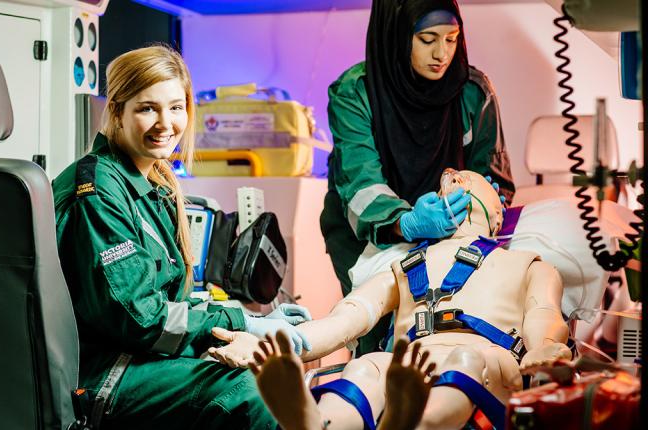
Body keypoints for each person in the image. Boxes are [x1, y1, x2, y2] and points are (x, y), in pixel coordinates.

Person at [52, 45, 310, 429]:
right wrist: (241, 322)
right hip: (106, 373)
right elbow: (139, 318)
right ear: (118, 110)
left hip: (142, 358)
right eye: (147, 108)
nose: (165, 123)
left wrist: (249, 323)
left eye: (176, 107)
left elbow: (175, 300)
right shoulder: (98, 190)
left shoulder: (151, 183)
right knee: (251, 391)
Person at [210, 171, 571, 430]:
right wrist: (281, 344)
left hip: (486, 356)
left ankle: (415, 421)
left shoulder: (526, 262)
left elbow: (544, 312)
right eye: (448, 180)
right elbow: (346, 319)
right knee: (366, 367)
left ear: (497, 216)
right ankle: (318, 422)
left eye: (466, 178)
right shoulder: (403, 266)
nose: (451, 177)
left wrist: (545, 346)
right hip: (407, 362)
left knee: (465, 361)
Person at [320, 0, 515, 355]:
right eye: (428, 39)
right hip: (368, 238)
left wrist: (486, 202)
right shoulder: (355, 93)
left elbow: (491, 175)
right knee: (377, 339)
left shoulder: (473, 93)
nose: (442, 54)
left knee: (452, 334)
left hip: (452, 236)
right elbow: (360, 185)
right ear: (397, 35)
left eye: (452, 39)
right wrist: (406, 223)